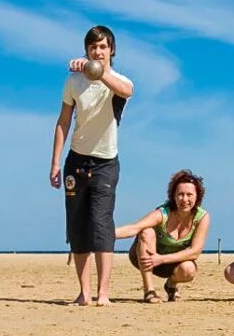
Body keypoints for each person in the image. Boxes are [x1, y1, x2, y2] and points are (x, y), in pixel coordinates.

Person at [49, 25, 134, 306]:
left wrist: (100, 72)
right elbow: (63, 122)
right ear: (86, 50)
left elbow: (128, 90)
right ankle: (84, 293)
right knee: (77, 226)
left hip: (105, 162)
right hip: (76, 159)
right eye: (92, 47)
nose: (97, 51)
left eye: (102, 47)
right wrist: (55, 163)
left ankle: (103, 293)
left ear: (111, 51)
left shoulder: (118, 81)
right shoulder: (74, 81)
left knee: (101, 224)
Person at [115, 170, 210, 303]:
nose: (185, 199)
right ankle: (149, 291)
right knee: (146, 231)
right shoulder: (163, 213)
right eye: (180, 194)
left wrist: (161, 259)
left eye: (189, 195)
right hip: (145, 258)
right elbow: (134, 228)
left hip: (169, 262)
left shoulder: (202, 218)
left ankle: (171, 285)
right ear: (174, 196)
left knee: (188, 269)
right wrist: (103, 234)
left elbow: (194, 252)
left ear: (197, 196)